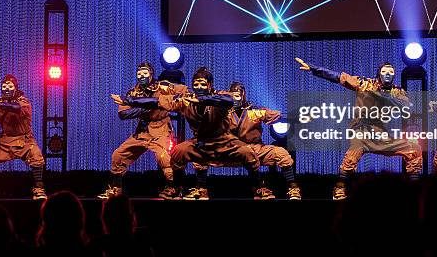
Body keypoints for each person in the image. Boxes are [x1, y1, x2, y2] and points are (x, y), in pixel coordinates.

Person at [125, 67, 262, 200]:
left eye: (203, 84)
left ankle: (258, 188)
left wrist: (202, 100)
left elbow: (229, 100)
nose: (199, 87)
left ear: (209, 85)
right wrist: (131, 101)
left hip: (224, 142)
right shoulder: (186, 100)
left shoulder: (220, 96)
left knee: (248, 153)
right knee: (178, 152)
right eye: (196, 84)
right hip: (201, 142)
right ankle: (177, 188)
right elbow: (157, 102)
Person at [296, 58, 422, 200]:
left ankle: (415, 191)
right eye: (384, 71)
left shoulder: (397, 91)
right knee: (353, 153)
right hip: (361, 132)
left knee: (414, 148)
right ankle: (340, 188)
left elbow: (408, 109)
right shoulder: (364, 84)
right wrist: (313, 68)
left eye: (391, 71)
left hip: (380, 135)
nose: (388, 73)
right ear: (379, 73)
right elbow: (339, 77)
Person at [195, 82, 301, 200]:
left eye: (238, 95)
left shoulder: (253, 111)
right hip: (227, 150)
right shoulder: (220, 111)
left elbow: (275, 116)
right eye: (232, 95)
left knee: (281, 153)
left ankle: (292, 188)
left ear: (243, 95)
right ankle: (201, 189)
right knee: (199, 154)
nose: (235, 98)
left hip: (253, 149)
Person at [99, 62, 186, 200]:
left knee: (165, 158)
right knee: (118, 155)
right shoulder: (134, 92)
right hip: (143, 130)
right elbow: (123, 114)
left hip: (161, 128)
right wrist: (148, 106)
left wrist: (169, 100)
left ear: (151, 74)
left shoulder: (162, 86)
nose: (142, 76)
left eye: (145, 73)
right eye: (139, 74)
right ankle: (115, 189)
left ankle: (173, 188)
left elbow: (183, 91)